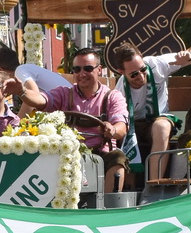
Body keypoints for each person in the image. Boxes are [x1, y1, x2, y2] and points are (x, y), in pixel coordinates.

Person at [114, 41, 191, 183]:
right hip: (134, 125)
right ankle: (129, 188)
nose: (141, 76)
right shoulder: (120, 89)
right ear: (122, 72)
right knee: (123, 132)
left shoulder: (156, 64)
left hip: (158, 120)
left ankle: (154, 185)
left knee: (161, 127)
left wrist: (189, 55)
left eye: (143, 69)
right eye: (133, 74)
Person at [46, 48, 130, 192]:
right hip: (68, 153)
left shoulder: (112, 96)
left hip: (101, 155)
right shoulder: (64, 93)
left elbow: (121, 127)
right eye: (77, 69)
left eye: (88, 68)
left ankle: (109, 206)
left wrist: (113, 129)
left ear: (99, 70)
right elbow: (42, 100)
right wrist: (22, 91)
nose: (82, 74)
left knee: (118, 157)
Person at [0, 46, 66, 109]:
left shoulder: (20, 71)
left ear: (1, 71)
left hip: (70, 107)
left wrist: (17, 123)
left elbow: (34, 96)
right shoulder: (24, 69)